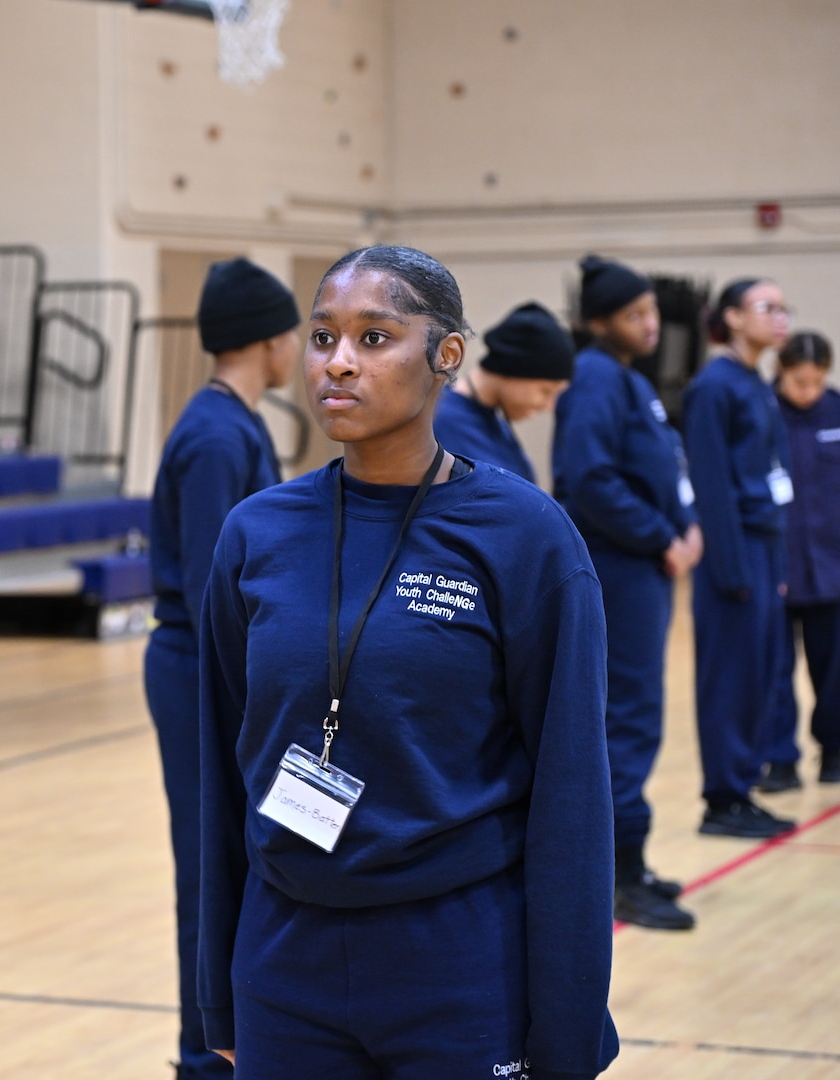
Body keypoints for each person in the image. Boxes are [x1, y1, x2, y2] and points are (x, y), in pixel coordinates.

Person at [198, 246, 618, 1079]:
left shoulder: (526, 538)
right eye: (322, 337)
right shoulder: (256, 535)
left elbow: (572, 795)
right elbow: (221, 771)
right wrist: (218, 990)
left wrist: (566, 1024)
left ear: (447, 355)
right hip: (286, 963)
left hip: (461, 962)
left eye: (374, 336)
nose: (338, 362)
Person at [146, 257, 300, 1080]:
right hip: (200, 669)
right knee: (211, 869)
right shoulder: (213, 435)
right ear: (268, 339)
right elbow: (216, 584)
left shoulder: (239, 424)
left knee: (243, 861)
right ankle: (203, 1057)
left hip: (225, 665)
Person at [551, 255, 702, 931]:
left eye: (651, 312)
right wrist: (658, 535)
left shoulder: (629, 379)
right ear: (599, 321)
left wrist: (684, 524)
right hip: (617, 568)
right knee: (623, 718)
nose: (649, 324)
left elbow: (660, 469)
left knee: (640, 713)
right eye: (634, 314)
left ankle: (631, 863)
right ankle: (612, 875)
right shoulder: (593, 379)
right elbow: (590, 479)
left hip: (645, 569)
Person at [684, 278, 797, 836]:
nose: (780, 318)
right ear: (731, 317)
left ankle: (745, 787)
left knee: (762, 672)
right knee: (730, 676)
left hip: (766, 548)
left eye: (783, 308)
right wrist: (731, 570)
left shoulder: (755, 381)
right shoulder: (714, 386)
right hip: (736, 553)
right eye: (766, 308)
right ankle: (723, 799)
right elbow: (712, 484)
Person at [767, 331, 840, 787]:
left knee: (836, 669)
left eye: (817, 381)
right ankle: (780, 758)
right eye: (800, 381)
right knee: (775, 672)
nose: (809, 391)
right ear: (781, 370)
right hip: (774, 569)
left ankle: (833, 747)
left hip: (835, 572)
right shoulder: (759, 411)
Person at [433, 301, 573, 482]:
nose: (548, 405)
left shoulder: (492, 418)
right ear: (515, 370)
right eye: (546, 391)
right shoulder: (442, 420)